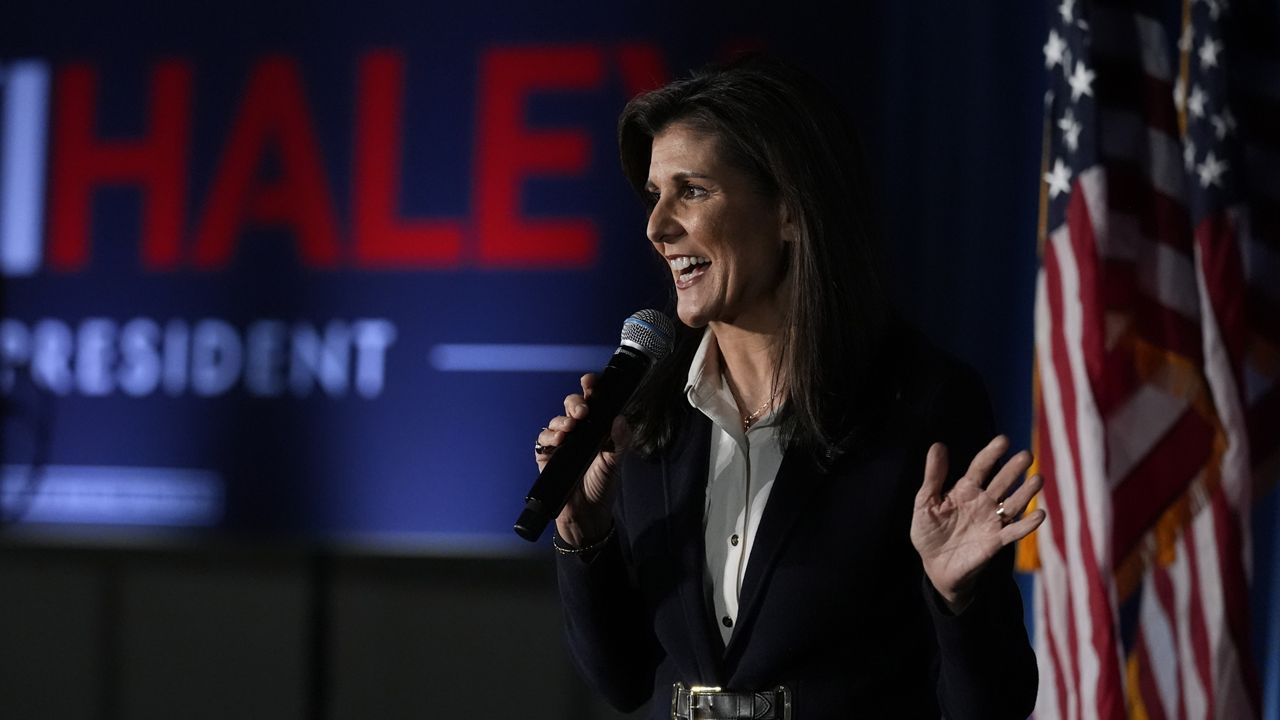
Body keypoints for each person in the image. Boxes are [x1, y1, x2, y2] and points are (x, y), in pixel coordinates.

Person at [532, 54, 1043, 719]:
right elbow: (624, 679)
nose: (657, 227)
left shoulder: (917, 404)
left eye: (692, 189)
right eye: (655, 194)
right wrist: (582, 532)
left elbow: (994, 706)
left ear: (790, 211)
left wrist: (958, 598)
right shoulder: (645, 415)